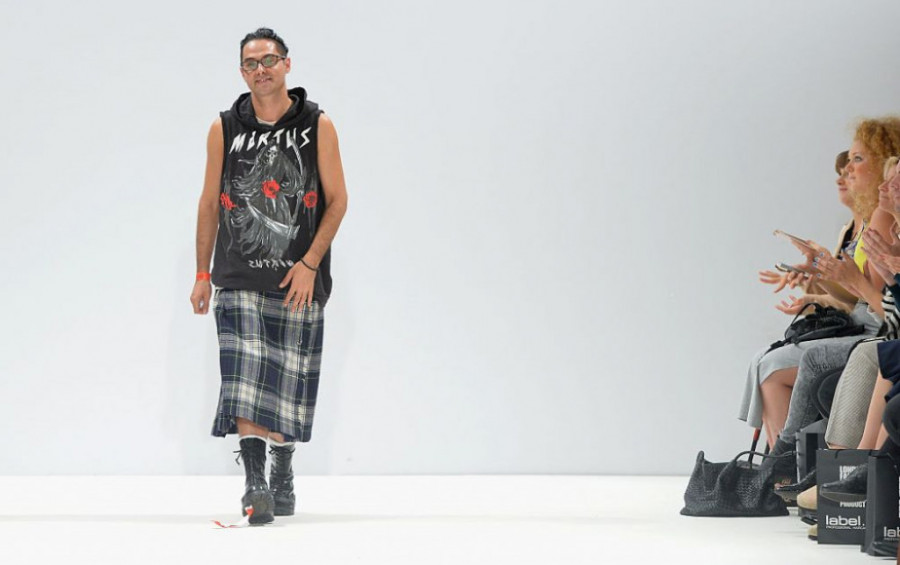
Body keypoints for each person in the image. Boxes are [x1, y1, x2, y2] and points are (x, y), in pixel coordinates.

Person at [189, 27, 348, 524]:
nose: (261, 70)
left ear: (287, 64)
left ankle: (282, 469)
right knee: (243, 379)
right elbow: (209, 203)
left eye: (269, 60)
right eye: (251, 63)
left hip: (299, 280)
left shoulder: (317, 124)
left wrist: (310, 263)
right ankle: (255, 483)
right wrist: (202, 272)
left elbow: (338, 200)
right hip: (237, 275)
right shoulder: (224, 128)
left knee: (286, 386)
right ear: (242, 72)